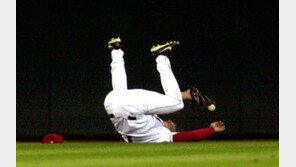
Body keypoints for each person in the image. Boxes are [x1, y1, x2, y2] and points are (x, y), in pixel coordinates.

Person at [104, 37, 225, 143]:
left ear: (172, 132)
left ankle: (160, 57)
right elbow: (161, 100)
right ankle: (116, 50)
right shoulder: (153, 120)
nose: (172, 123)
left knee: (177, 104)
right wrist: (188, 95)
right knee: (120, 91)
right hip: (114, 104)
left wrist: (211, 129)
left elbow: (189, 136)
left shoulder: (161, 136)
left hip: (129, 110)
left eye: (173, 127)